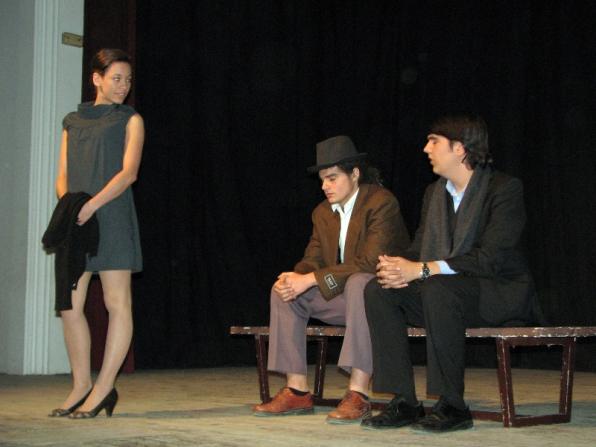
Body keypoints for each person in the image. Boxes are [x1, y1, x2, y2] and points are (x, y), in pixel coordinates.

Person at [362, 114, 537, 432]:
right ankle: (404, 401)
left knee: (437, 286)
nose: (426, 148)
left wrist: (422, 269)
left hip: (495, 293)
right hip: (445, 295)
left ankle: (453, 405)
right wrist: (397, 266)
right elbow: (419, 250)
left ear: (459, 148)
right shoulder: (435, 193)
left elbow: (490, 258)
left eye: (434, 141)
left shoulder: (504, 189)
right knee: (379, 288)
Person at [253, 135, 410, 424]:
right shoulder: (322, 212)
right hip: (345, 297)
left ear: (355, 174)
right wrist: (296, 277)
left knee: (360, 282)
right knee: (284, 290)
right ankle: (297, 390)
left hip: (383, 300)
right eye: (323, 180)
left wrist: (311, 278)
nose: (325, 186)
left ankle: (358, 393)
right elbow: (313, 257)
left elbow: (371, 263)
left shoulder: (381, 202)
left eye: (333, 178)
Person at [48, 48, 144, 419]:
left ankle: (104, 387)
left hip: (112, 215)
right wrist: (71, 206)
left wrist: (93, 205)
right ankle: (81, 385)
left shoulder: (130, 119)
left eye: (128, 80)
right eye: (116, 78)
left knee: (116, 302)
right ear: (96, 78)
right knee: (69, 304)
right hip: (77, 219)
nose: (123, 86)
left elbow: (129, 173)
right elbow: (62, 174)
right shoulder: (72, 120)